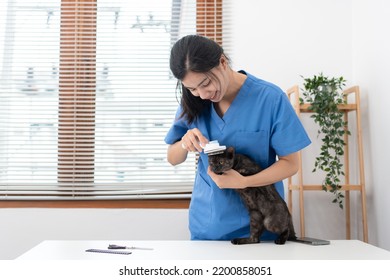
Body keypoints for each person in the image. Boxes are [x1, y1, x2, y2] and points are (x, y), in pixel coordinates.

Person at [164, 34, 311, 241]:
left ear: (222, 62)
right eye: (192, 88)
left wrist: (244, 182)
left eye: (205, 83)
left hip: (263, 227)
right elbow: (172, 157)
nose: (202, 94)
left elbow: (290, 164)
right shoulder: (193, 103)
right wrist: (184, 143)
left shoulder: (270, 98)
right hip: (208, 227)